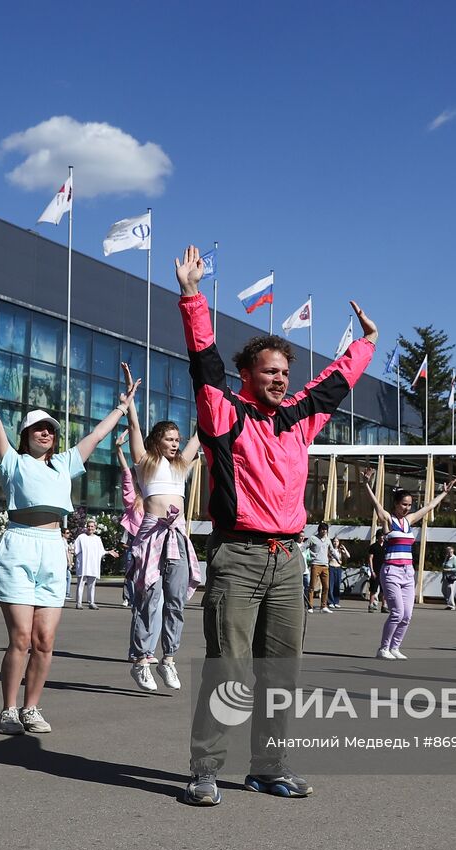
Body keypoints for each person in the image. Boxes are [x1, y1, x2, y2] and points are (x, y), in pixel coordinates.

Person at [177, 244, 376, 806]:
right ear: (247, 375)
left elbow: (335, 384)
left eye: (286, 373)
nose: (282, 380)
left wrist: (365, 344)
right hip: (237, 557)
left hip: (289, 559)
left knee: (281, 673)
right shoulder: (223, 410)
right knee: (231, 667)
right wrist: (193, 296)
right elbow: (204, 360)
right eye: (271, 372)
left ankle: (268, 768)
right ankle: (205, 770)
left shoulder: (299, 420)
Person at [0, 350, 132, 735]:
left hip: (53, 549)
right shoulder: (13, 462)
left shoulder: (65, 462)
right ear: (26, 435)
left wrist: (121, 408)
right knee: (19, 637)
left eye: (50, 428)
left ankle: (32, 708)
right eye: (38, 428)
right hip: (19, 544)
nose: (45, 432)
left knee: (45, 640)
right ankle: (8, 709)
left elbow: (97, 436)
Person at [120, 376, 202, 691]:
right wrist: (130, 403)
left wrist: (210, 394)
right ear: (158, 440)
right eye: (169, 439)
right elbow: (136, 432)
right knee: (148, 597)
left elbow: (200, 435)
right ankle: (141, 660)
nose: (175, 443)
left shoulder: (181, 466)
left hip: (178, 535)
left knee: (176, 600)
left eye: (176, 439)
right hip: (152, 532)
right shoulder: (146, 463)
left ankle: (168, 659)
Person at [359, 471, 456, 659]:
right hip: (391, 571)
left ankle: (395, 647)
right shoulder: (389, 520)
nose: (407, 508)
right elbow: (376, 504)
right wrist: (365, 484)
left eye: (410, 505)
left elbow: (429, 507)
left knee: (407, 615)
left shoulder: (409, 521)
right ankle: (383, 648)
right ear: (396, 504)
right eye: (404, 504)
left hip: (407, 573)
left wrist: (444, 493)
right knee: (397, 612)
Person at [112, 431, 146, 609]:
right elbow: (126, 475)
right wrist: (118, 450)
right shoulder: (133, 501)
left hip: (154, 544)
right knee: (133, 575)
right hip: (136, 544)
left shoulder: (155, 497)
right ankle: (134, 601)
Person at [73, 521, 118, 610]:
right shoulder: (81, 537)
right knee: (81, 583)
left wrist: (108, 552)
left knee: (92, 584)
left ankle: (91, 602)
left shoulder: (97, 539)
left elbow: (101, 551)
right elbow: (76, 550)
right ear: (86, 527)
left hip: (93, 564)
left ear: (95, 528)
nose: (90, 528)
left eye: (92, 526)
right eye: (89, 526)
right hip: (83, 564)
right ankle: (79, 603)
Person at [305, 523, 331, 613]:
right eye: (322, 530)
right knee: (312, 586)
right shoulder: (313, 538)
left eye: (325, 530)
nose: (324, 531)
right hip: (315, 564)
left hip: (325, 565)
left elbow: (331, 550)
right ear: (319, 530)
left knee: (326, 587)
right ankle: (310, 606)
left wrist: (338, 558)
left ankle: (323, 606)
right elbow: (304, 547)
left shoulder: (328, 540)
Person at [366, 528, 386, 611]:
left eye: (383, 535)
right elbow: (370, 558)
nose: (382, 537)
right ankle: (371, 605)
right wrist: (372, 570)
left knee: (384, 589)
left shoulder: (386, 546)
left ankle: (384, 606)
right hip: (376, 570)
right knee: (373, 589)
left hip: (384, 570)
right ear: (377, 537)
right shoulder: (373, 546)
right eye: (380, 536)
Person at [327, 536, 349, 611]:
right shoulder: (330, 550)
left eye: (336, 541)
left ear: (339, 543)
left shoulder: (340, 551)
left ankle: (336, 601)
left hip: (338, 568)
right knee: (331, 585)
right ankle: (330, 601)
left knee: (337, 585)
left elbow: (348, 556)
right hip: (331, 567)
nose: (335, 543)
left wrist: (344, 549)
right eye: (334, 541)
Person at [440, 546, 456, 610]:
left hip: (451, 577)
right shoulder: (446, 558)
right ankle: (448, 602)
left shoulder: (455, 558)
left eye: (451, 552)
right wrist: (442, 577)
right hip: (445, 577)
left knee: (450, 590)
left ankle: (451, 605)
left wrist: (449, 570)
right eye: (449, 552)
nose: (450, 553)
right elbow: (444, 567)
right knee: (443, 590)